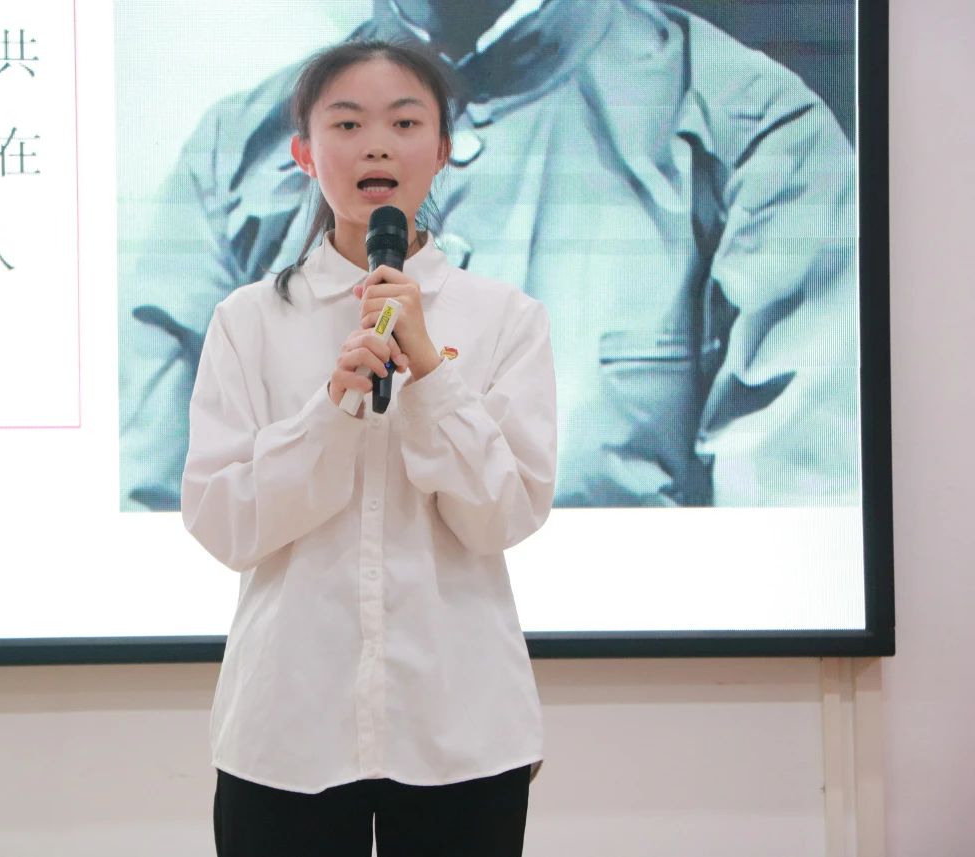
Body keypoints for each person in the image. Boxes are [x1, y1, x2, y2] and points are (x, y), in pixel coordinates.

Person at [120, 0, 859, 512]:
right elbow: (162, 514)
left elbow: (788, 534)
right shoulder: (234, 158)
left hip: (606, 675)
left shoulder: (754, 136)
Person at [180, 40, 554, 856]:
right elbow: (224, 522)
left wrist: (432, 376)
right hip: (288, 731)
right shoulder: (249, 321)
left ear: (444, 150)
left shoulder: (505, 318)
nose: (376, 146)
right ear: (304, 153)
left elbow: (506, 513)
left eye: (405, 123)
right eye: (347, 124)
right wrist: (330, 411)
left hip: (462, 726)